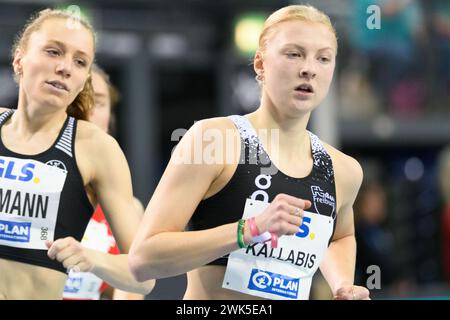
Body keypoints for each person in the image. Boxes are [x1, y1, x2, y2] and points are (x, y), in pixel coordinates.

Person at [129, 5, 370, 300]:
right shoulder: (214, 140)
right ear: (260, 64)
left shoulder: (343, 170)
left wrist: (342, 284)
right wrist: (250, 229)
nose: (309, 68)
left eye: (323, 58)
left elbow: (340, 236)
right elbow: (143, 260)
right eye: (294, 54)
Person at [0, 9, 153, 299]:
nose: (66, 67)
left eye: (80, 61)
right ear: (19, 59)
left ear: (83, 80)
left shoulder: (96, 148)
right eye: (53, 51)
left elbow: (144, 276)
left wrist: (93, 258)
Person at [62, 65, 148, 300]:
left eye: (98, 101)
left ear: (110, 117)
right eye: (80, 100)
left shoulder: (128, 209)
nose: (87, 109)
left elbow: (135, 284)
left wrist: (96, 261)